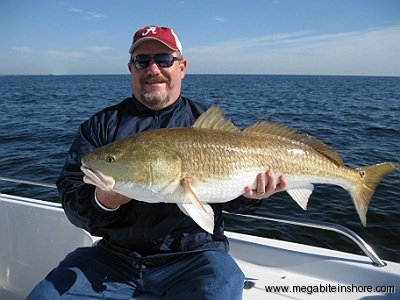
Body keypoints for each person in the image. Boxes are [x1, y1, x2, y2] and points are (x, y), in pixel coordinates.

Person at [27, 25, 287, 300]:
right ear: (131, 68)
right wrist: (104, 200)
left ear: (182, 67)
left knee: (220, 287)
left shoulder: (210, 128)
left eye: (164, 60)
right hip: (114, 256)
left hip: (195, 256)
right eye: (142, 61)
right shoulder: (100, 128)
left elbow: (229, 200)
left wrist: (254, 196)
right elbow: (71, 196)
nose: (153, 69)